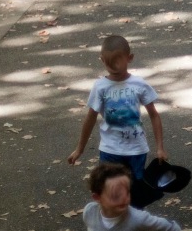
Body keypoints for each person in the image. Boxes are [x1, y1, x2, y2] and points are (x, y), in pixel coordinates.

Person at [68, 35, 167, 182]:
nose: (113, 68)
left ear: (129, 58)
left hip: (136, 149)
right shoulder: (100, 87)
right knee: (110, 188)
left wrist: (160, 147)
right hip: (110, 149)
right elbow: (91, 117)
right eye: (109, 64)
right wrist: (80, 148)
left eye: (117, 63)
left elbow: (153, 115)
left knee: (136, 190)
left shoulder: (139, 84)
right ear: (102, 60)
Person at [82, 164, 181, 231]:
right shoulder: (90, 211)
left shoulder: (138, 219)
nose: (124, 198)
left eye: (127, 192)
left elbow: (172, 227)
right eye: (116, 195)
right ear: (97, 197)